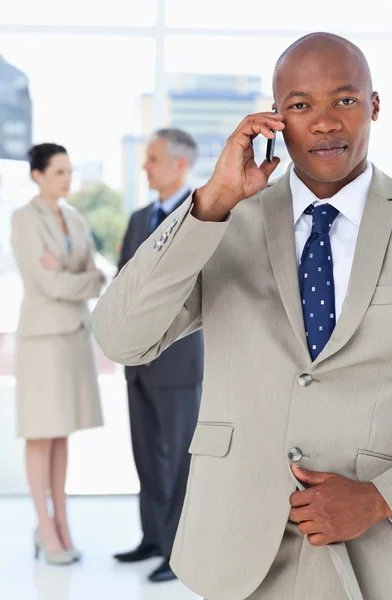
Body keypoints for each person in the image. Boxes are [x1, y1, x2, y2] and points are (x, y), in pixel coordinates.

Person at [91, 32, 392, 599]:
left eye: (345, 100)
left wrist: (384, 497)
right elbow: (119, 338)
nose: (326, 122)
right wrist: (211, 202)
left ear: (375, 106)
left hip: (379, 554)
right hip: (237, 553)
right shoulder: (220, 223)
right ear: (275, 118)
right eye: (301, 106)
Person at [112, 128, 204, 583]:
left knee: (182, 461)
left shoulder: (204, 215)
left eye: (152, 158)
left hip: (178, 363)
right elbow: (123, 287)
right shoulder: (137, 218)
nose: (144, 166)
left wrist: (156, 339)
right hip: (137, 366)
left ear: (179, 165)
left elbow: (196, 291)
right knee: (146, 454)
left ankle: (177, 551)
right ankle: (152, 537)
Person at [11, 143, 104, 566]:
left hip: (74, 337)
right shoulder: (23, 220)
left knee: (63, 432)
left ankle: (62, 523)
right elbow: (50, 286)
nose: (67, 179)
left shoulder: (76, 218)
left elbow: (98, 274)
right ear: (38, 175)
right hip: (43, 342)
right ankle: (45, 528)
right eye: (59, 172)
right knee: (41, 433)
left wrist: (76, 277)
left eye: (69, 171)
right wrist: (81, 279)